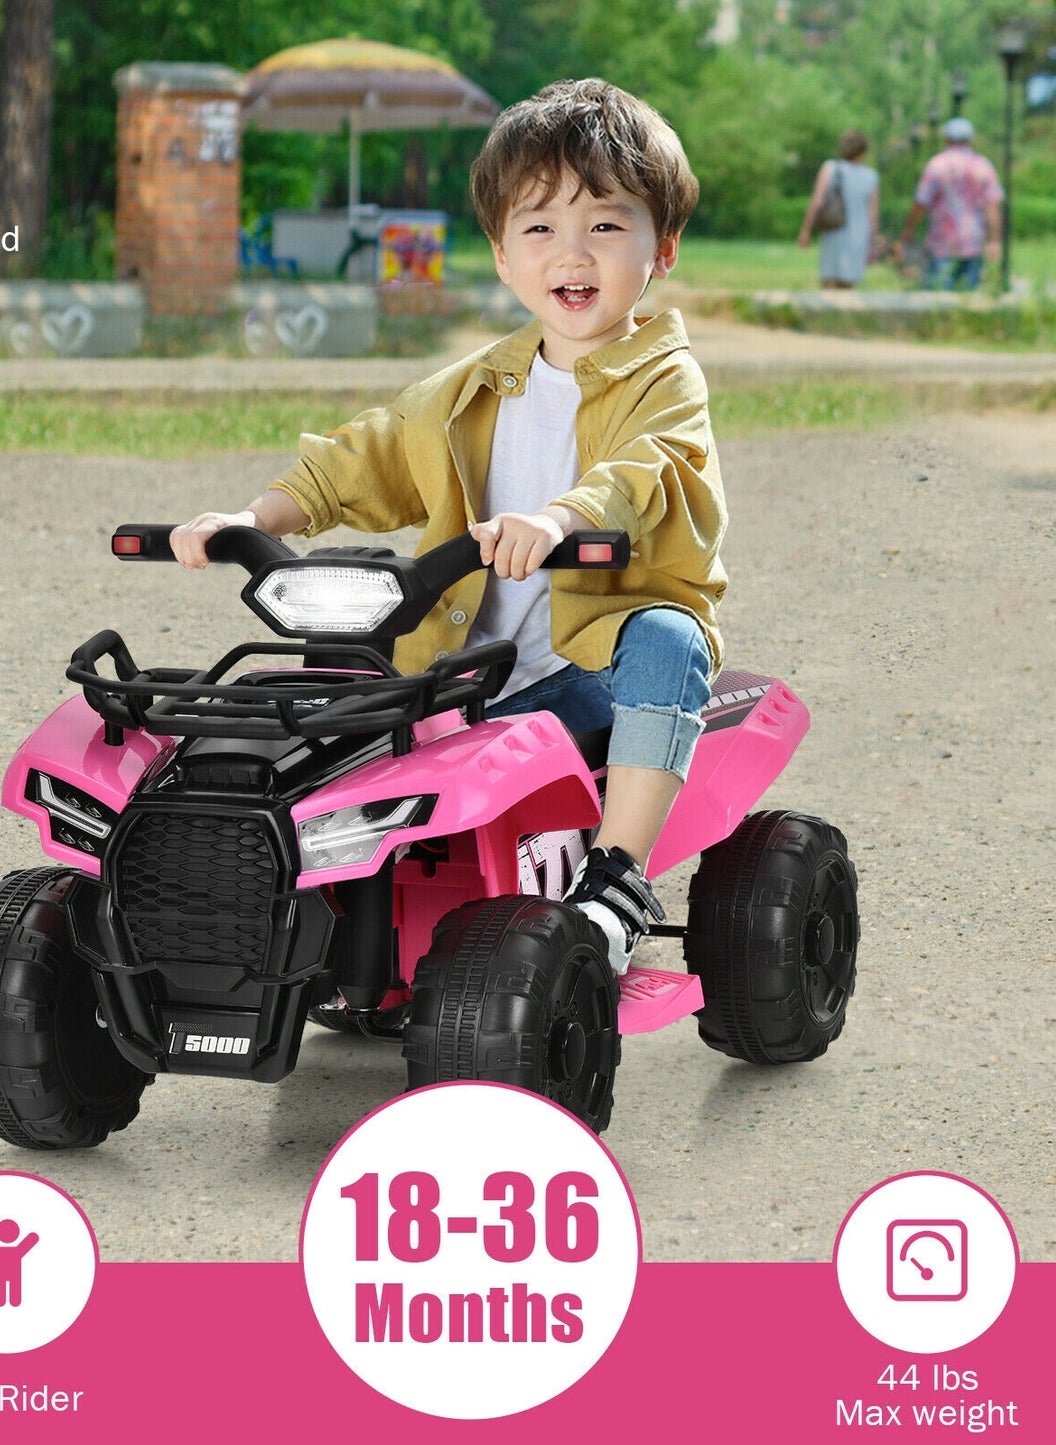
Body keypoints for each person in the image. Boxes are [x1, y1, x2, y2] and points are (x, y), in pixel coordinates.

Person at [171, 79, 726, 975]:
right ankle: (289, 906)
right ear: (502, 255)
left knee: (669, 637)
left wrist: (559, 518)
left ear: (661, 248)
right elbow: (370, 452)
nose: (571, 252)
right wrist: (255, 516)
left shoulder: (663, 379)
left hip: (586, 667)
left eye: (604, 224)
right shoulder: (472, 384)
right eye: (538, 227)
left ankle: (618, 875)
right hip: (461, 668)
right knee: (328, 677)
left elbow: (641, 472)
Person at [895, 117, 1004, 291]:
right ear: (970, 139)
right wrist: (994, 240)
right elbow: (993, 205)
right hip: (974, 241)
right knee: (969, 298)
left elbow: (920, 202)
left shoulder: (937, 165)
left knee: (938, 295)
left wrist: (909, 229)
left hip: (942, 242)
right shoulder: (983, 165)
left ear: (946, 139)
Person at [797, 129, 880, 289]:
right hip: (859, 234)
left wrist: (806, 230)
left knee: (829, 279)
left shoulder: (830, 168)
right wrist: (873, 243)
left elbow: (817, 201)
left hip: (834, 230)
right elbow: (873, 213)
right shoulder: (871, 176)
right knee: (847, 284)